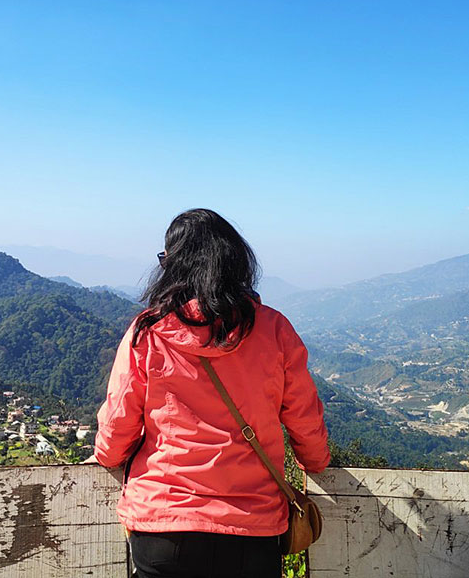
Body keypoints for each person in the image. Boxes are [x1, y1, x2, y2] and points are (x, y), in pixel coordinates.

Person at [93, 208, 330, 578]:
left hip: (163, 524)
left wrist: (107, 455)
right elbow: (304, 417)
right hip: (253, 527)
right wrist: (314, 463)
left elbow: (118, 421)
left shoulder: (148, 332)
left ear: (174, 266)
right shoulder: (275, 330)